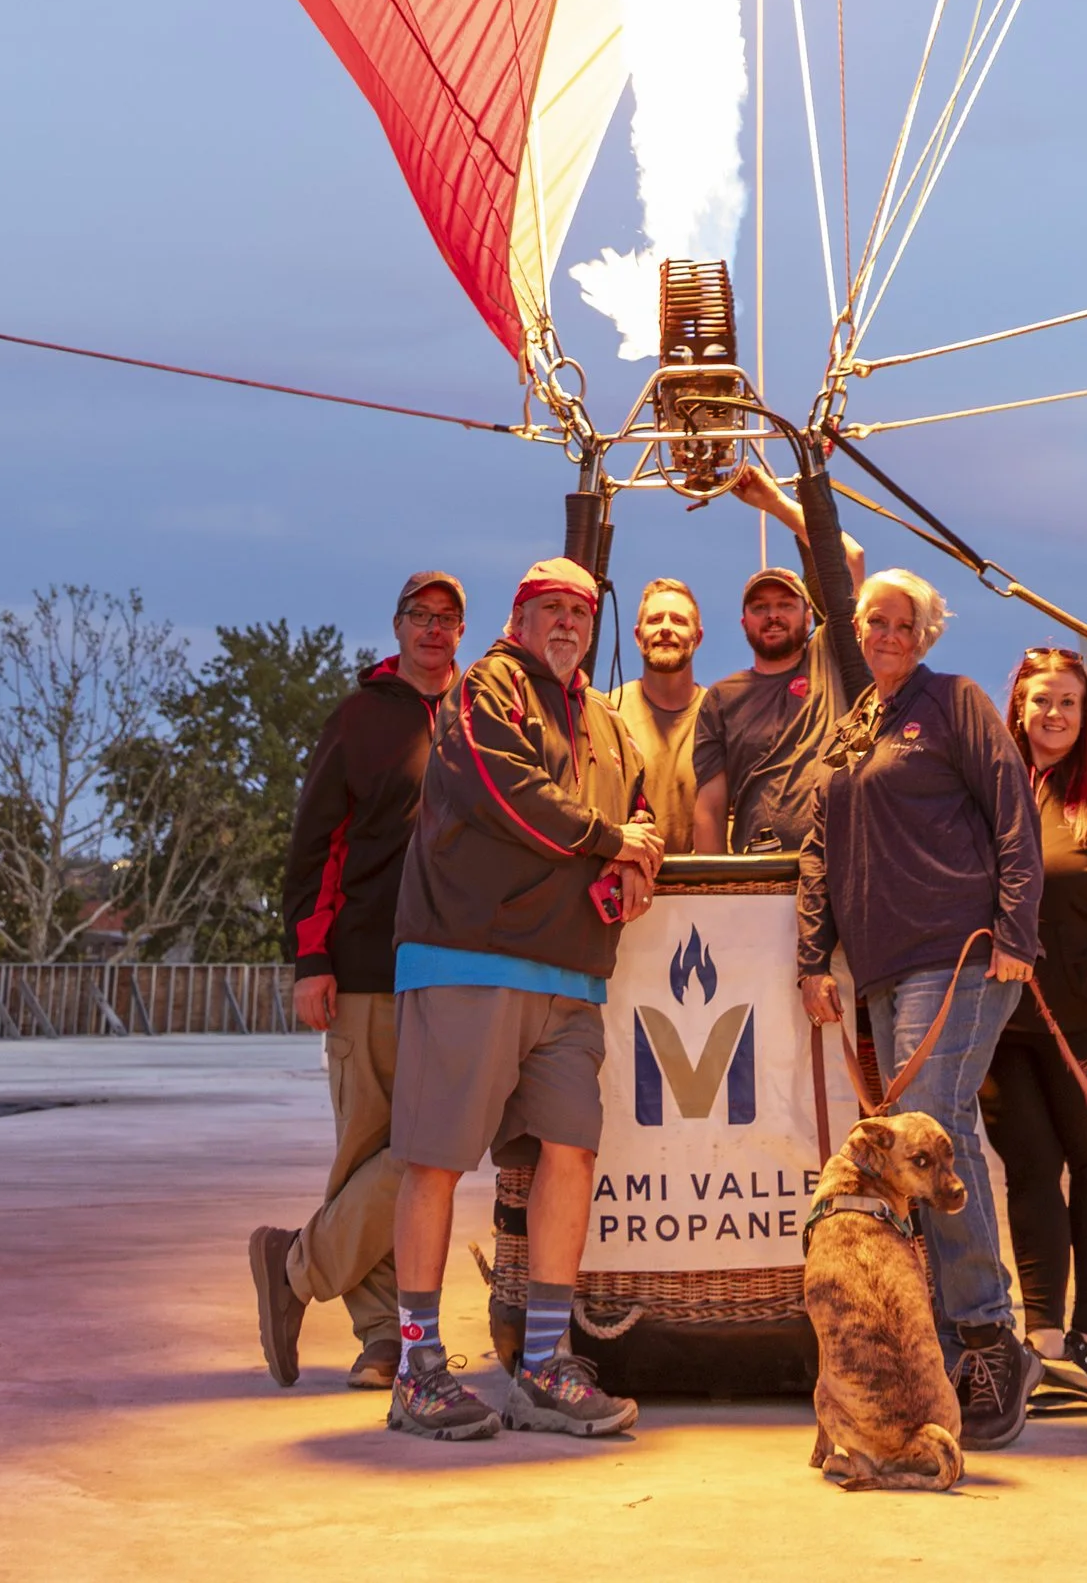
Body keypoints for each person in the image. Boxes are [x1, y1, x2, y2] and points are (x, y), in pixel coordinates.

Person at [383, 556, 664, 1444]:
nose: (568, 624)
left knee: (571, 1154)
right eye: (550, 608)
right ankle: (417, 1368)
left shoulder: (612, 726)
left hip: (571, 977)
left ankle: (543, 1365)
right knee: (434, 1159)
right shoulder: (487, 687)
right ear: (518, 616)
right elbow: (513, 793)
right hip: (472, 955)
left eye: (580, 612)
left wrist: (634, 861)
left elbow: (643, 815)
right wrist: (613, 839)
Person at [797, 568, 1045, 1449]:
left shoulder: (957, 702)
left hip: (959, 953)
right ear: (858, 631)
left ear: (927, 632)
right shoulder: (855, 724)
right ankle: (943, 1339)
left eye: (905, 623)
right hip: (881, 970)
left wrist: (1017, 924)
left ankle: (986, 1338)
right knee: (934, 1144)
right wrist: (812, 954)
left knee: (932, 1130)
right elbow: (821, 846)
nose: (889, 634)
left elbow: (1014, 811)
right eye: (876, 621)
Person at [249, 568, 464, 1390]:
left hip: (455, 970)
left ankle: (294, 1265)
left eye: (448, 617)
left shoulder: (478, 718)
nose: (434, 629)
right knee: (371, 1150)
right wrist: (312, 960)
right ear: (399, 625)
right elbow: (312, 846)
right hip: (369, 965)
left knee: (428, 1152)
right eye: (421, 615)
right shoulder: (359, 719)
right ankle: (383, 1337)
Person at [977, 645, 1087, 1382]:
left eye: (1067, 702)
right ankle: (1044, 1338)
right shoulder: (987, 792)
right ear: (1016, 706)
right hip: (1003, 1018)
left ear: (1086, 714)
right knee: (1028, 1170)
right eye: (1039, 699)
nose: (1052, 713)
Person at [690, 462, 866, 853]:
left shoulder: (831, 657)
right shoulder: (722, 698)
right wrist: (717, 893)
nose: (772, 615)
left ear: (808, 615)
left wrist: (774, 503)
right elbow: (711, 807)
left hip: (840, 864)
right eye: (760, 606)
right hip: (759, 874)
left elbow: (850, 557)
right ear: (743, 621)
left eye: (786, 604)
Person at [608, 578, 705, 840]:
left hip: (705, 878)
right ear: (638, 637)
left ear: (698, 637)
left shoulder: (718, 715)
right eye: (655, 620)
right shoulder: (608, 713)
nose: (665, 628)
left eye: (678, 620)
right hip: (623, 875)